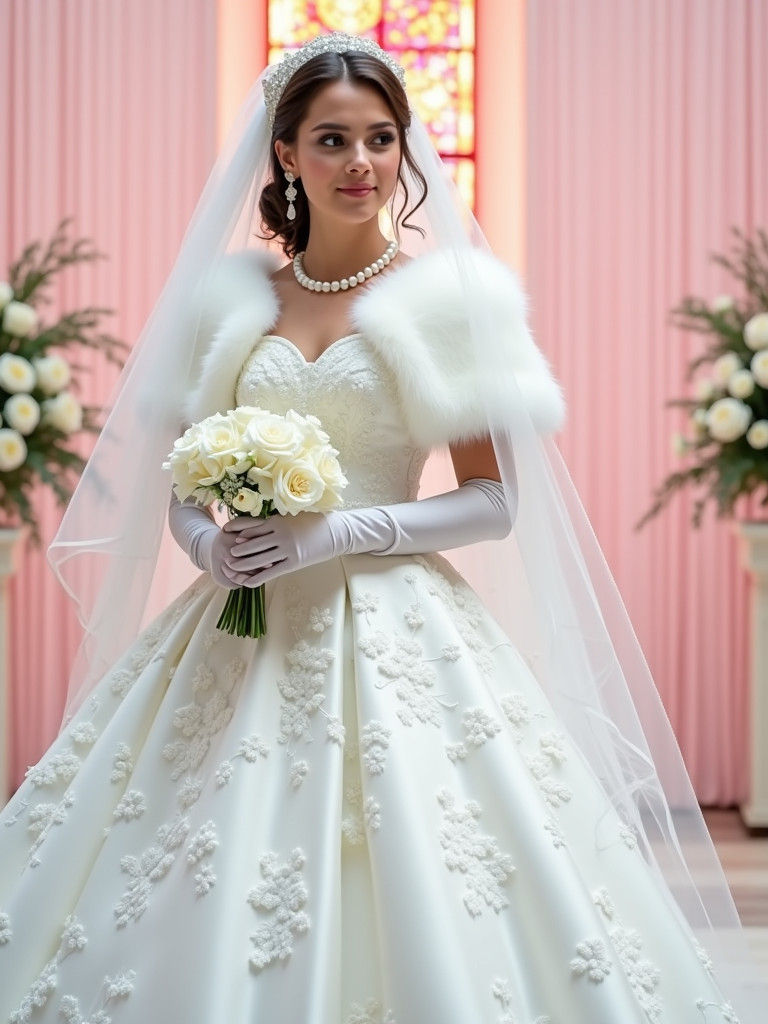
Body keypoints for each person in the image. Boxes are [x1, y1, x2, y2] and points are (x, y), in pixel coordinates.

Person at [0, 33, 763, 1024]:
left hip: (402, 625)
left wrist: (341, 532)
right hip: (239, 621)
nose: (361, 163)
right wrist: (206, 543)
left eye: (380, 138)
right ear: (285, 154)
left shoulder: (446, 303)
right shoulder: (230, 302)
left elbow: (494, 501)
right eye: (332, 139)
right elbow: (180, 481)